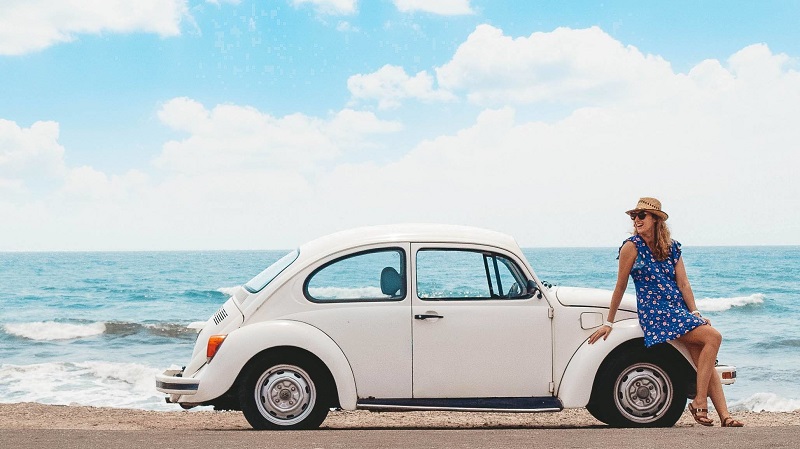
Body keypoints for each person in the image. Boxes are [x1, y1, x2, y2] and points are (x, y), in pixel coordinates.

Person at [588, 197, 743, 427]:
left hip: (677, 311)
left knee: (703, 358)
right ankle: (699, 402)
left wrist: (695, 312)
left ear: (656, 219)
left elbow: (684, 285)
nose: (637, 220)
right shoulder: (631, 247)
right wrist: (609, 322)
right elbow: (620, 285)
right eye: (634, 216)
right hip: (655, 313)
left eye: (642, 215)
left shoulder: (672, 247)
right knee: (713, 336)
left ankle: (725, 416)